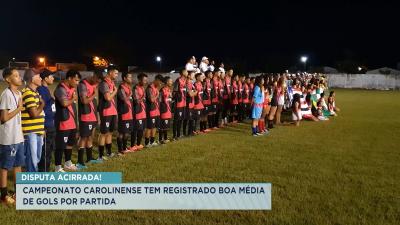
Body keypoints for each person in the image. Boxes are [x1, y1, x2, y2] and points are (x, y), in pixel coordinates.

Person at [0, 68, 24, 205]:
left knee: (18, 165)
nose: (19, 77)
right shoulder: (6, 94)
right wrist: (19, 109)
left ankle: (17, 191)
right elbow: (3, 118)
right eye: (15, 75)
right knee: (5, 166)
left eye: (19, 75)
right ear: (8, 79)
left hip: (18, 136)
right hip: (8, 138)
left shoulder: (19, 93)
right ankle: (3, 195)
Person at [54, 70, 81, 172]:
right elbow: (64, 103)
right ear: (69, 78)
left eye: (78, 81)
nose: (77, 83)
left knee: (70, 143)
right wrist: (73, 98)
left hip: (72, 122)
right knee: (61, 145)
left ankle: (68, 163)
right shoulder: (60, 89)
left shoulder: (72, 88)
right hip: (63, 122)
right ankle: (57, 167)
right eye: (76, 80)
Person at [21, 69, 45, 172]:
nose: (41, 79)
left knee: (36, 158)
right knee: (32, 160)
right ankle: (31, 182)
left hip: (37, 131)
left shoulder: (35, 92)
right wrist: (42, 104)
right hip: (31, 132)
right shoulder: (28, 93)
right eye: (39, 77)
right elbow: (34, 114)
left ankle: (32, 179)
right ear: (32, 79)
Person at [77, 70, 102, 165]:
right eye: (96, 81)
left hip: (93, 116)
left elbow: (94, 102)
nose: (97, 83)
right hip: (85, 116)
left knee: (90, 137)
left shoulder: (95, 85)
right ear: (94, 75)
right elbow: (84, 101)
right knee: (83, 138)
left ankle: (89, 158)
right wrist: (93, 94)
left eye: (98, 83)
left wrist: (97, 116)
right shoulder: (82, 84)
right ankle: (80, 161)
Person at [98, 66, 119, 160]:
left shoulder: (112, 82)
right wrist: (115, 91)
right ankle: (101, 156)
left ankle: (109, 153)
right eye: (116, 73)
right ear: (110, 72)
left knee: (110, 132)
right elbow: (108, 98)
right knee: (103, 133)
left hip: (113, 111)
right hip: (106, 111)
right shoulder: (104, 83)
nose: (117, 75)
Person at [37, 69, 56, 172]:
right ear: (45, 78)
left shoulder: (46, 89)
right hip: (46, 125)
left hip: (51, 124)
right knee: (45, 150)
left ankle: (46, 170)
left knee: (49, 149)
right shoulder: (41, 90)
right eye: (51, 76)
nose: (53, 78)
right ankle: (43, 172)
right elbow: (42, 108)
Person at [144, 74, 162, 147]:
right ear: (156, 80)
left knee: (154, 127)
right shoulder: (149, 88)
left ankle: (152, 141)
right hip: (151, 110)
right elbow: (151, 99)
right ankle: (147, 143)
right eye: (160, 82)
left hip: (156, 110)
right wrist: (157, 94)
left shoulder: (155, 88)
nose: (160, 84)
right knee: (149, 127)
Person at [131, 73, 148, 149]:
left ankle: (138, 144)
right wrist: (143, 97)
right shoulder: (135, 88)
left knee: (141, 129)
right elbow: (136, 101)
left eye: (146, 80)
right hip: (137, 112)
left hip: (143, 112)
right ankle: (132, 145)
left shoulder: (143, 88)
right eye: (144, 80)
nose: (145, 82)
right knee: (135, 129)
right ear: (139, 80)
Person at [172, 69, 188, 140]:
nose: (187, 73)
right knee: (176, 119)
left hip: (184, 103)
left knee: (181, 119)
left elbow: (186, 91)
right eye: (186, 71)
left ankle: (178, 134)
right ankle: (174, 135)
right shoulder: (178, 80)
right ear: (183, 73)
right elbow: (174, 92)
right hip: (178, 103)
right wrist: (178, 98)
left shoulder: (185, 81)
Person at [159, 76, 173, 144]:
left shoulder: (169, 89)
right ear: (167, 82)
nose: (171, 82)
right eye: (170, 81)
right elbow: (159, 101)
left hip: (168, 110)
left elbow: (170, 99)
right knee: (163, 125)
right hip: (164, 110)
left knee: (166, 125)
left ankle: (165, 138)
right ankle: (161, 139)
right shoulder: (162, 90)